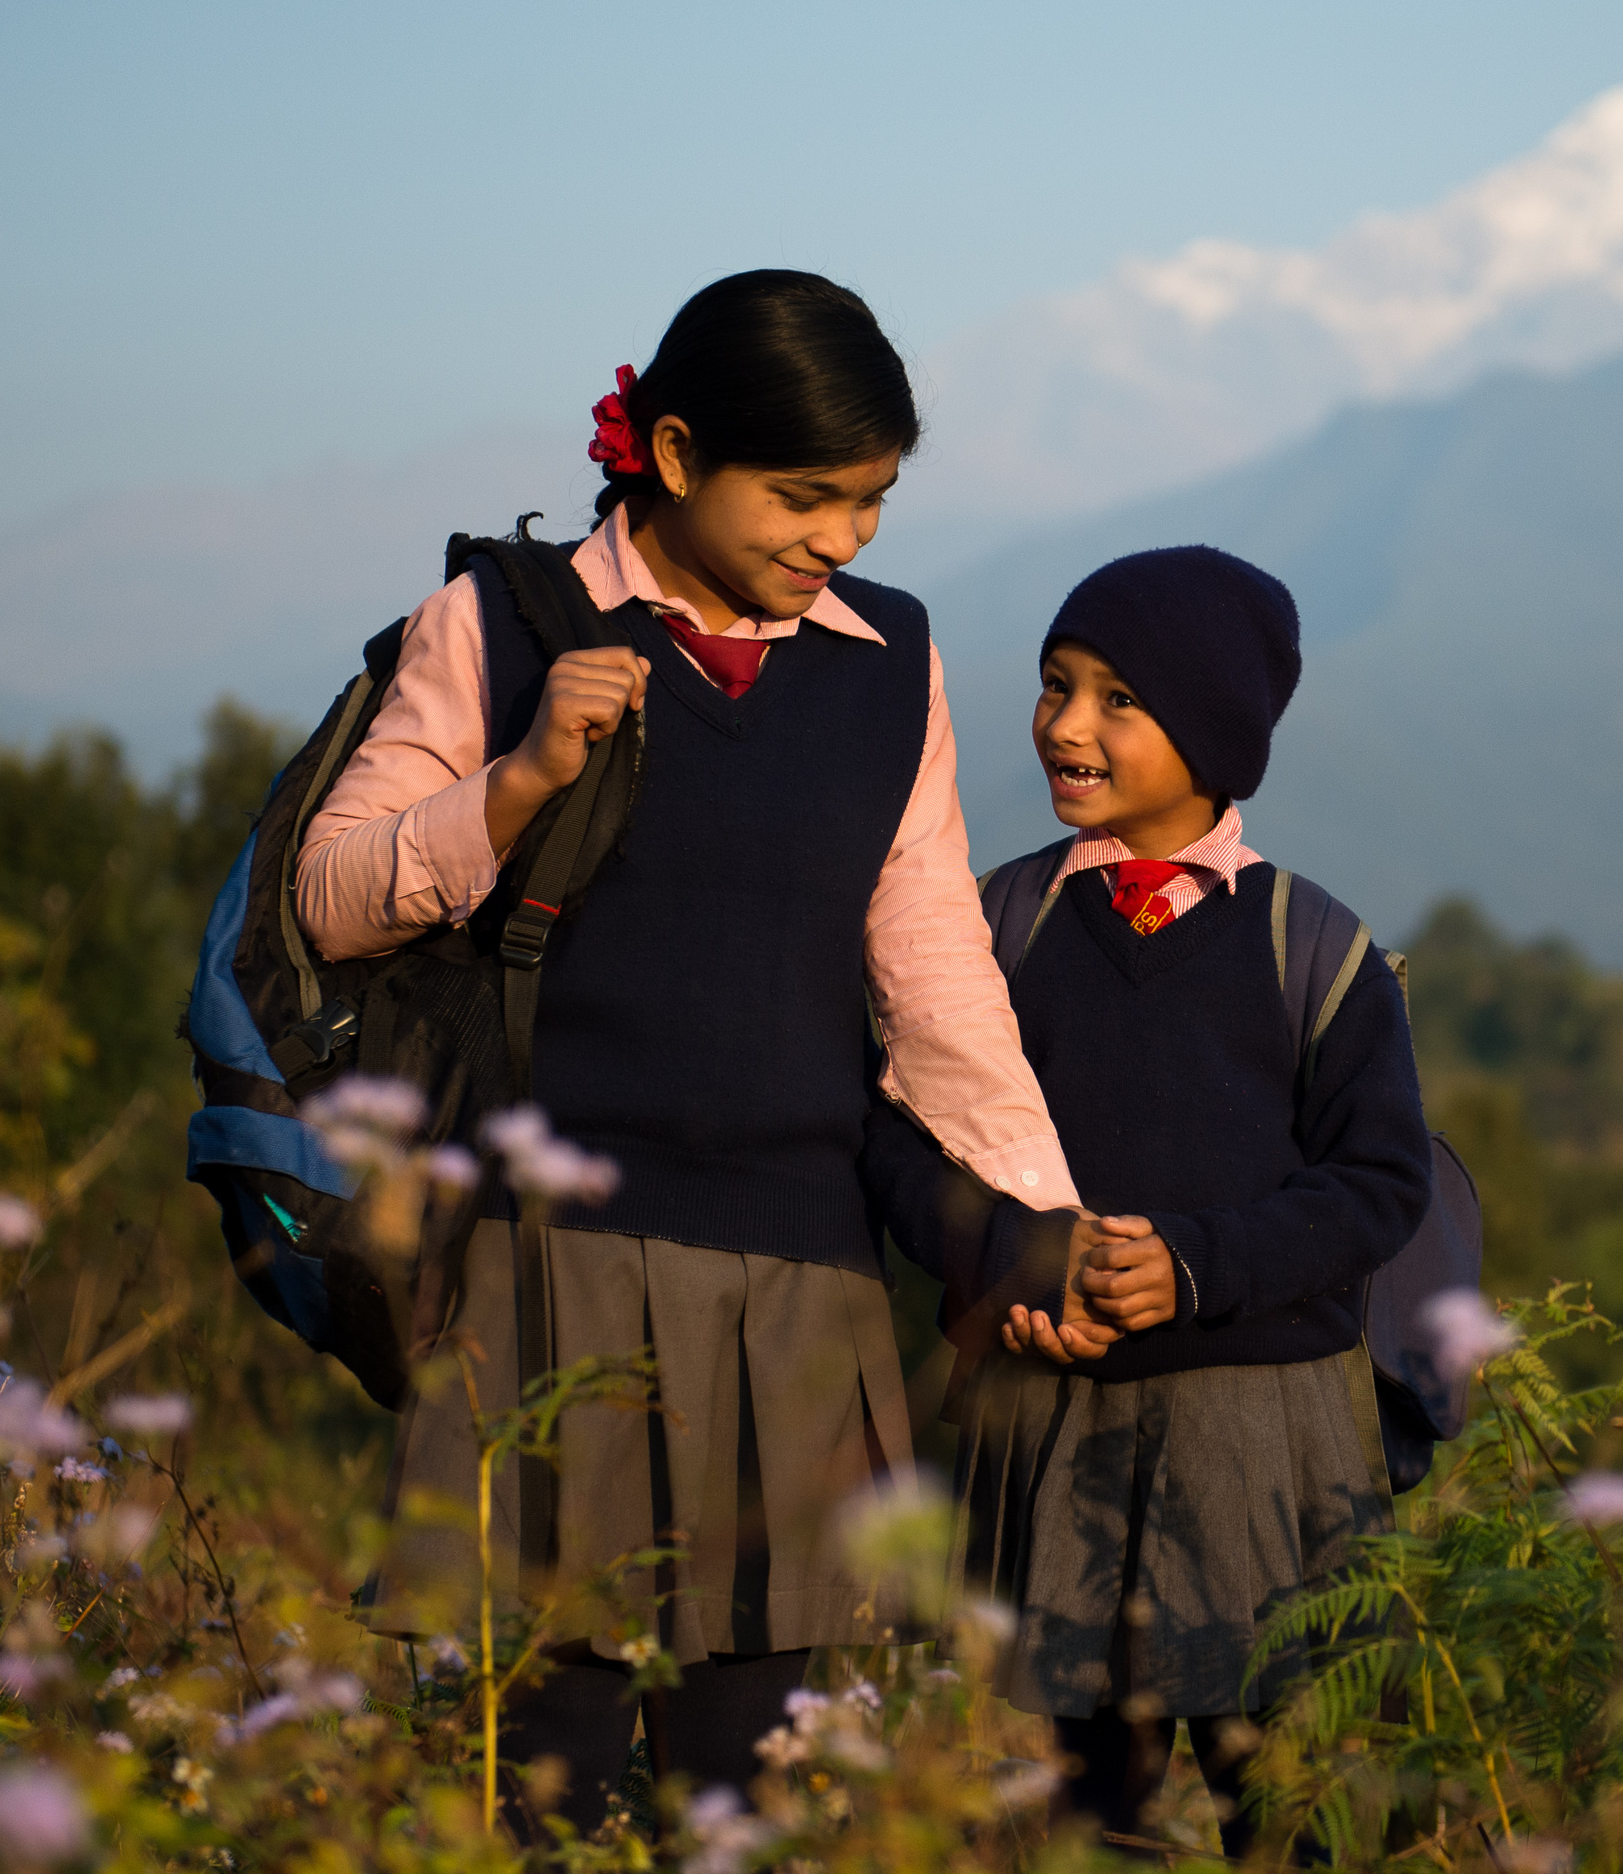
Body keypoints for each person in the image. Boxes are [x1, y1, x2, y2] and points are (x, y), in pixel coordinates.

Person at [298, 270, 1084, 1830]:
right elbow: (331, 899)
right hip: (547, 1270)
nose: (843, 539)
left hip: (802, 1281)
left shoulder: (886, 659)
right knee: (542, 1791)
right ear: (667, 454)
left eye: (870, 503)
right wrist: (519, 779)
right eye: (804, 496)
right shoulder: (502, 627)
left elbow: (927, 961)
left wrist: (1034, 1218)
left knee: (760, 1798)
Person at [880, 546, 1432, 1861]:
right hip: (1055, 1420)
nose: (1066, 725)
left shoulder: (1314, 945)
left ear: (1217, 733)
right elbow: (894, 1141)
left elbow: (1379, 1182)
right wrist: (1002, 1261)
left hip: (1269, 1443)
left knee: (1296, 1800)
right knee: (1081, 1812)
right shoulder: (986, 930)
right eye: (1055, 684)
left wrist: (1192, 1266)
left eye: (1119, 698)